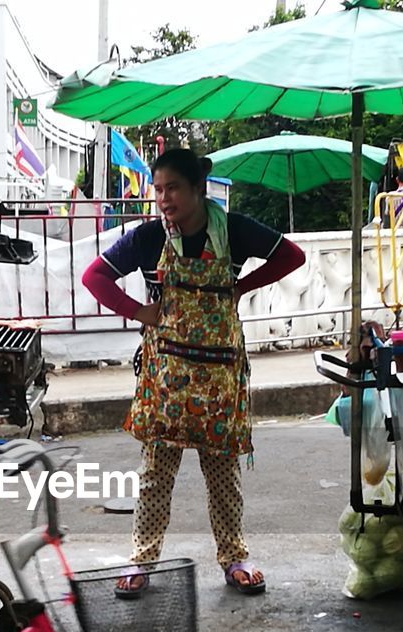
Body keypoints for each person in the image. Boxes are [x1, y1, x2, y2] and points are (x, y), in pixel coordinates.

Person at [80, 149, 305, 597]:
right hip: (166, 379)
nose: (163, 199)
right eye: (158, 189)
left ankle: (235, 556)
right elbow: (94, 277)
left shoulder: (235, 232)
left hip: (220, 379)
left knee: (224, 475)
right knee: (155, 475)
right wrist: (139, 311)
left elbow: (291, 256)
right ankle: (142, 560)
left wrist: (241, 286)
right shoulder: (147, 238)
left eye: (172, 188)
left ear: (198, 189)